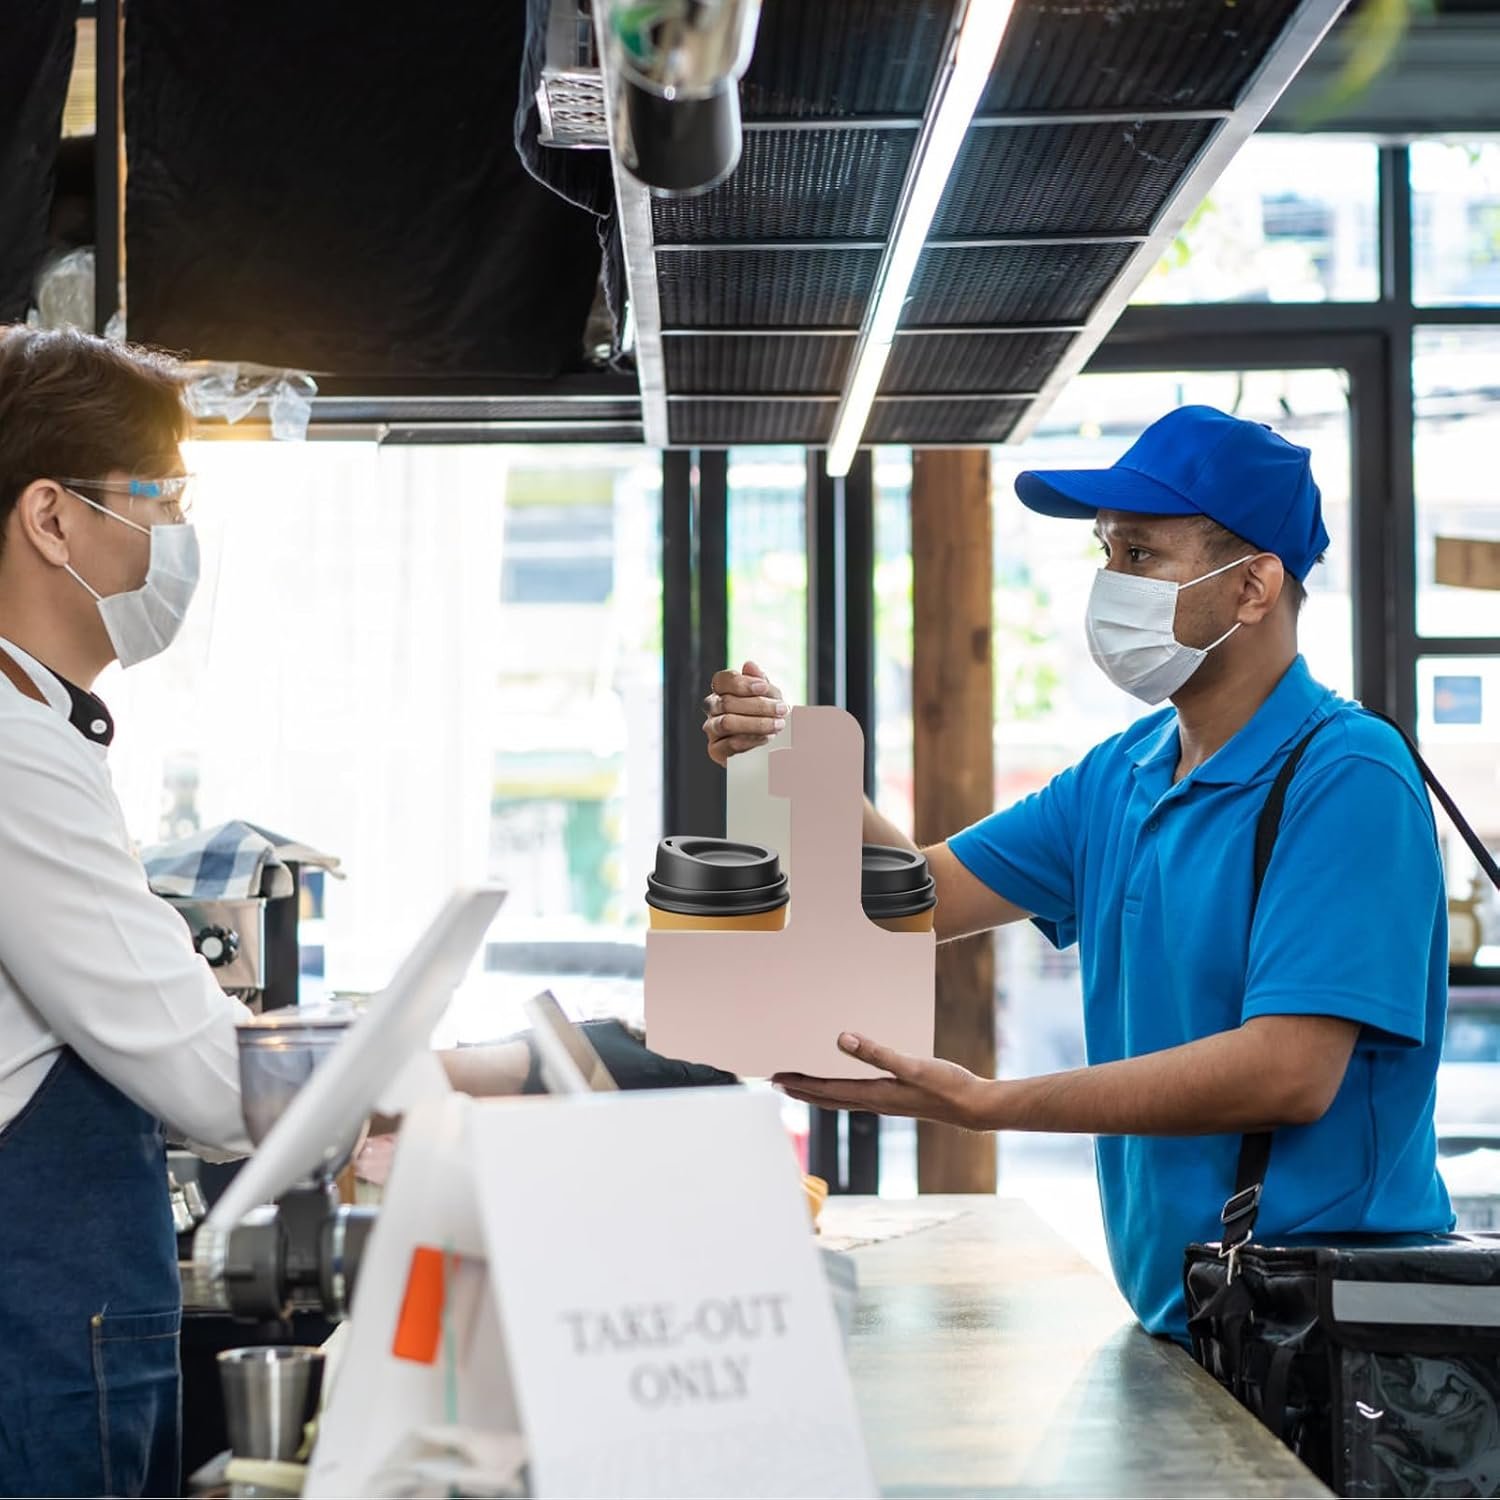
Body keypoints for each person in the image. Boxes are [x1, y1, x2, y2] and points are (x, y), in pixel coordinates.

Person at [702, 405, 1454, 1344]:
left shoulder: (1348, 777)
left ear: (1255, 586)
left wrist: (986, 1105)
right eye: (1105, 553)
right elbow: (914, 897)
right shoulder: (1123, 773)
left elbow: (1288, 1071)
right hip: (1189, 1316)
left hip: (1336, 1338)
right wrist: (796, 763)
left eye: (1141, 555)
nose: (1111, 583)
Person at [0, 326, 566, 1495]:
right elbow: (213, 1076)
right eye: (162, 499)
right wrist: (489, 1069)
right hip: (37, 1292)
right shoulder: (12, 754)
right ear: (51, 519)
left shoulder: (39, 731)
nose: (178, 540)